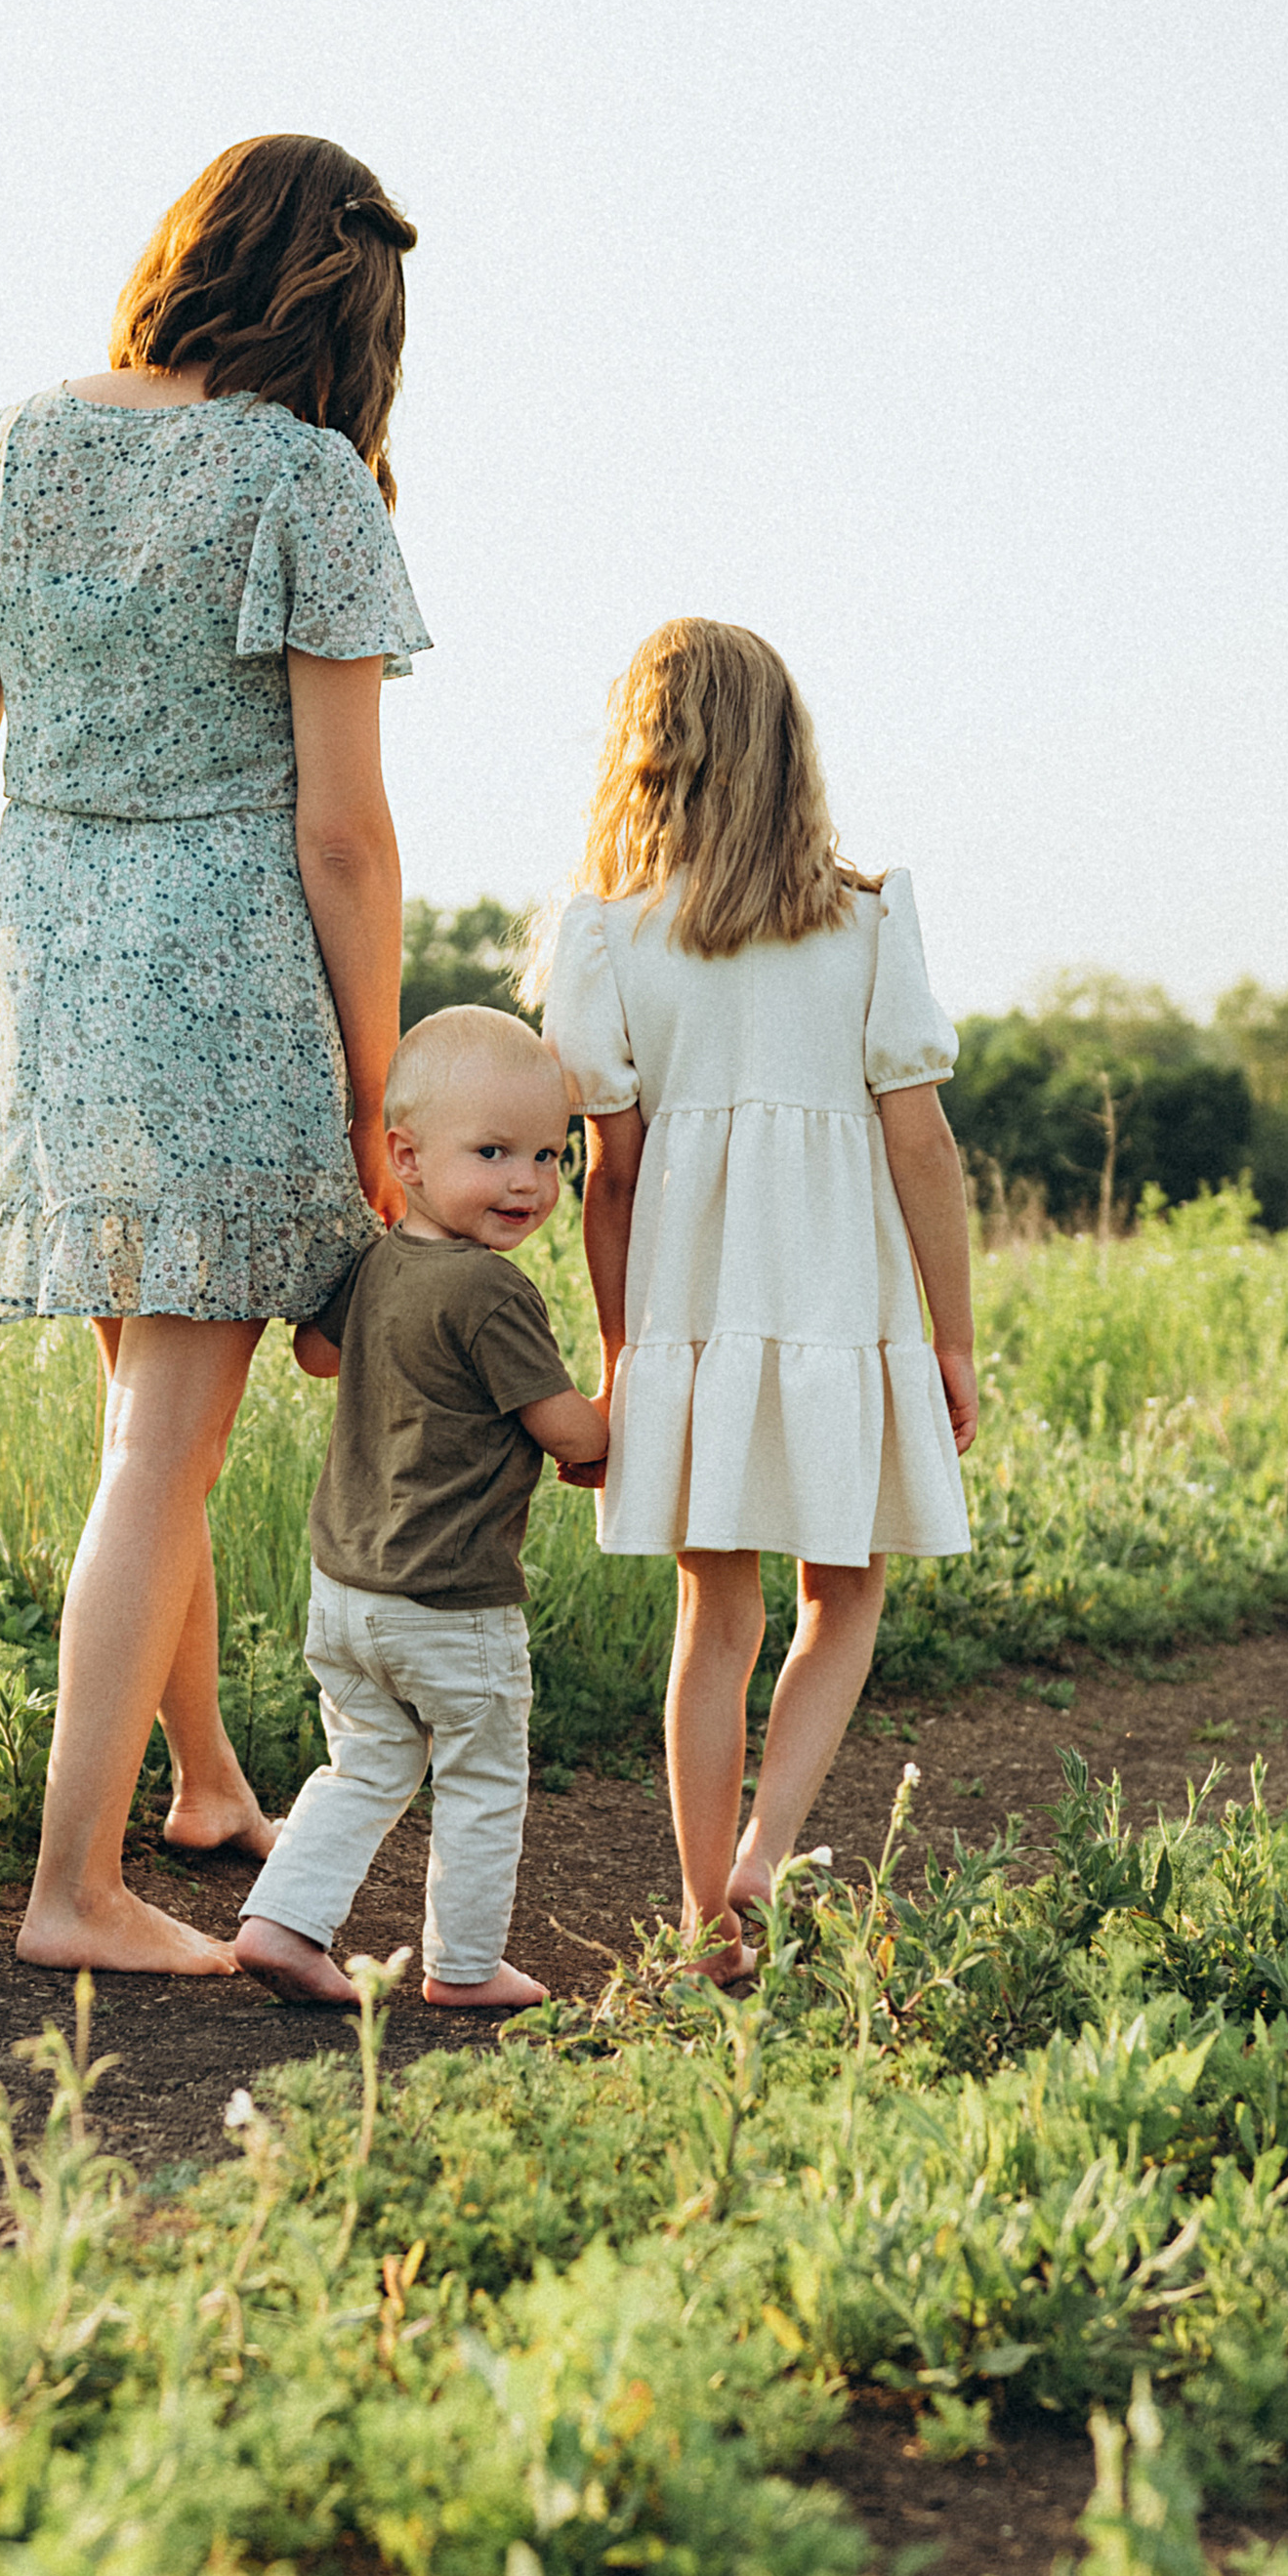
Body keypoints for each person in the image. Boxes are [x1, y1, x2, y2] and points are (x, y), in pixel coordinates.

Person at [0, 136, 428, 1974]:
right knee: (166, 1440)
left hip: (53, 977)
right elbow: (345, 834)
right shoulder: (303, 481)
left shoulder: (6, 446)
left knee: (152, 1425)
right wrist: (383, 1090)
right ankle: (74, 1889)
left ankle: (201, 1782)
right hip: (233, 990)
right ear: (338, 300)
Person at [538, 619, 976, 1980]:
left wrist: (626, 1356)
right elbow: (921, 1145)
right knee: (845, 1596)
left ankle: (701, 1915)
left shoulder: (606, 938)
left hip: (693, 1320)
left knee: (711, 1621)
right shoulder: (869, 919)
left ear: (647, 757)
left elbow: (607, 1178)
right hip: (847, 1312)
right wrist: (952, 1341)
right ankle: (765, 1849)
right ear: (792, 754)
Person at [234, 1008, 606, 2011]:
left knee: (363, 1766)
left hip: (345, 1590)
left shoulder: (377, 1265)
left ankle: (281, 1921)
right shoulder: (489, 1292)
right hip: (452, 1605)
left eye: (549, 1154)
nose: (527, 1182)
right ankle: (465, 1966)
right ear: (404, 1154)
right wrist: (628, 1412)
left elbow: (316, 1353)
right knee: (481, 1779)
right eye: (491, 1152)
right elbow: (573, 1436)